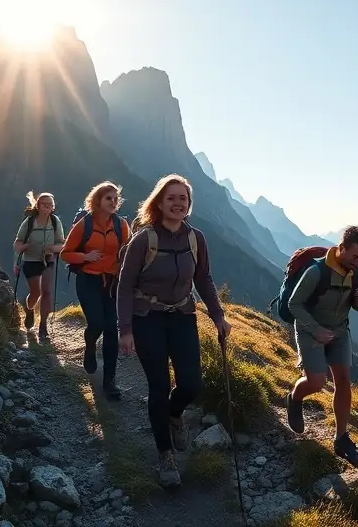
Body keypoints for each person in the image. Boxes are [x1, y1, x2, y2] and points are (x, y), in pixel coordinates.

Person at [117, 174, 231, 489]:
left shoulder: (196, 239)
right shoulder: (144, 239)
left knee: (191, 384)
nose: (178, 203)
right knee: (158, 385)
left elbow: (204, 279)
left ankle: (174, 413)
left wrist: (218, 315)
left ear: (189, 204)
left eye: (183, 198)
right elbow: (125, 286)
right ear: (159, 203)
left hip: (182, 315)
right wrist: (125, 329)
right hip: (147, 318)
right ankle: (165, 456)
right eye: (172, 198)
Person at [285, 224, 358, 466]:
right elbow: (294, 305)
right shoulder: (316, 271)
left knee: (343, 381)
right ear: (341, 248)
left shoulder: (355, 271)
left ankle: (341, 438)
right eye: (355, 256)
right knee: (316, 382)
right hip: (310, 330)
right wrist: (316, 330)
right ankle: (294, 398)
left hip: (339, 332)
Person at [60, 182, 132, 400]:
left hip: (111, 283)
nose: (113, 201)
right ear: (97, 200)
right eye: (108, 198)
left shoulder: (121, 226)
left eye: (115, 198)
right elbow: (65, 254)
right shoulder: (84, 225)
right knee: (97, 323)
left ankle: (110, 381)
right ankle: (90, 346)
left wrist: (123, 271)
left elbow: (128, 254)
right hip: (87, 281)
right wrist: (85, 257)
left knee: (111, 328)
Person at [13, 191, 65, 341]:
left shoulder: (55, 222)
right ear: (38, 205)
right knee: (36, 293)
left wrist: (53, 249)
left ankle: (43, 326)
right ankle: (29, 309)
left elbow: (62, 243)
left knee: (47, 291)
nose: (48, 207)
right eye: (45, 204)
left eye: (51, 205)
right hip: (31, 260)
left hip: (48, 260)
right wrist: (24, 247)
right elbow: (18, 243)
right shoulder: (29, 222)